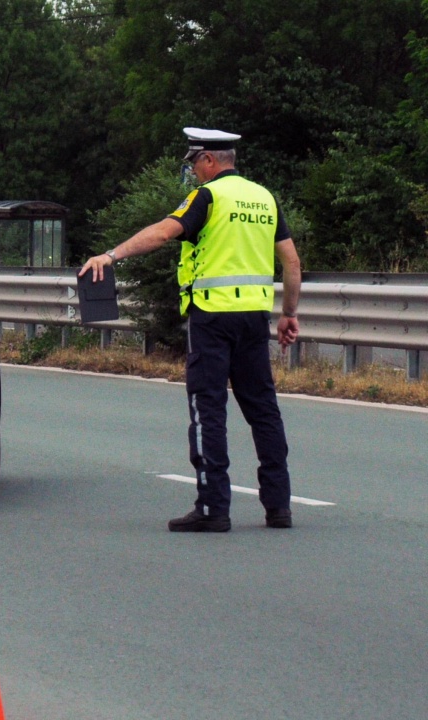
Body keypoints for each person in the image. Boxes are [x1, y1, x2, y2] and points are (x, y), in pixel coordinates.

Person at [78, 128, 301, 532]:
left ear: (210, 160)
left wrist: (112, 255)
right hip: (254, 317)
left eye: (194, 163)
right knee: (264, 410)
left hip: (212, 318)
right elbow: (291, 262)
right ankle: (278, 507)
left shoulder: (209, 196)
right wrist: (288, 313)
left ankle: (213, 508)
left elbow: (164, 232)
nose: (193, 172)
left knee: (208, 409)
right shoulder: (264, 198)